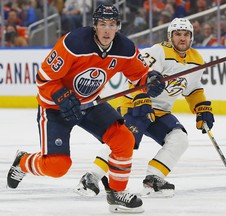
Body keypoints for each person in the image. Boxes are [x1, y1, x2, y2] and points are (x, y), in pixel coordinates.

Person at [6, 4, 165, 213]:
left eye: (112, 25)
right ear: (94, 26)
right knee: (57, 166)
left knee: (124, 139)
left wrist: (150, 79)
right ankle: (23, 161)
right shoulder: (73, 43)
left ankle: (116, 194)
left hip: (90, 104)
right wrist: (61, 95)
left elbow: (140, 75)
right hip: (55, 107)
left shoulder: (124, 48)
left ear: (118, 26)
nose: (107, 30)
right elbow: (44, 79)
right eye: (102, 24)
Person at [74, 18, 215, 198]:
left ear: (192, 37)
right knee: (125, 140)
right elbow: (138, 76)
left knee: (179, 139)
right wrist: (141, 97)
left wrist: (201, 108)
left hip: (161, 112)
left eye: (186, 35)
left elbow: (193, 89)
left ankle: (154, 179)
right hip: (136, 104)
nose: (182, 38)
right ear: (169, 36)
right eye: (178, 34)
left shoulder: (197, 60)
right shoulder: (158, 52)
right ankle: (91, 176)